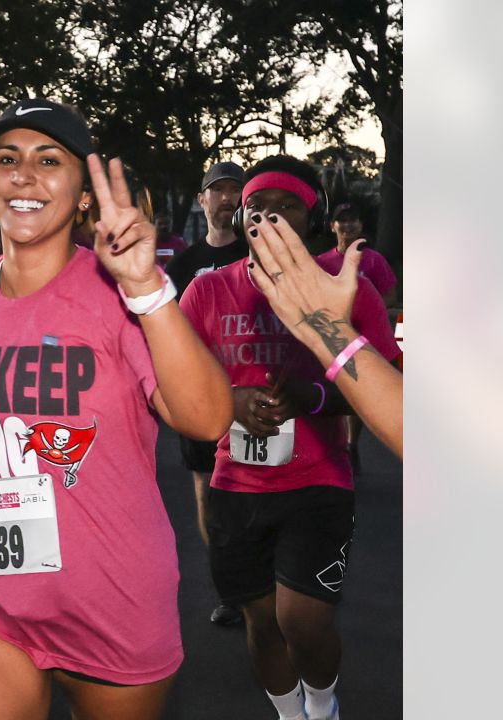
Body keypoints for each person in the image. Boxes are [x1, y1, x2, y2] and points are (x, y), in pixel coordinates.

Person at [0, 98, 232, 720]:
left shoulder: (119, 293)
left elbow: (205, 420)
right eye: (7, 159)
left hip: (111, 594)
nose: (24, 174)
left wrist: (147, 290)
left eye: (49, 159)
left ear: (85, 196)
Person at [178, 155, 401, 720]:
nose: (269, 219)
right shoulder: (206, 294)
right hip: (236, 483)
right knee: (260, 623)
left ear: (313, 218)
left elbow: (387, 392)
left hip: (319, 477)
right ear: (240, 217)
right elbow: (173, 387)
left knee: (303, 619)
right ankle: (287, 712)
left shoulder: (348, 289)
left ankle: (322, 706)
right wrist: (229, 402)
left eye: (288, 207)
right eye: (257, 207)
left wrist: (312, 398)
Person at [164, 160, 249, 627]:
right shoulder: (183, 266)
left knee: (258, 492)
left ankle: (265, 580)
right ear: (202, 200)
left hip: (254, 390)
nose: (226, 198)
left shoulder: (261, 255)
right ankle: (230, 588)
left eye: (235, 190)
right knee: (207, 493)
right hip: (200, 393)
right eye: (217, 191)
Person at [315, 202, 398, 470]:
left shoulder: (373, 260)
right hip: (331, 337)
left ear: (361, 226)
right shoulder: (322, 262)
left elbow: (389, 295)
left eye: (353, 221)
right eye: (342, 221)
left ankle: (351, 444)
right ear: (332, 226)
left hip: (363, 341)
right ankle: (336, 446)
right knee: (332, 391)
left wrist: (366, 310)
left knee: (357, 393)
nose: (348, 225)